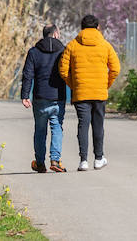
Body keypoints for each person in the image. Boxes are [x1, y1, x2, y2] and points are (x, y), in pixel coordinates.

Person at [57, 14, 120, 171]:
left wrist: (74, 85)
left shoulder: (72, 45)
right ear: (98, 27)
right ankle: (99, 158)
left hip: (81, 93)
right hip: (99, 93)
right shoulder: (105, 45)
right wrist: (105, 84)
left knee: (83, 125)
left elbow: (63, 70)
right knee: (98, 126)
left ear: (81, 28)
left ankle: (83, 160)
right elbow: (116, 69)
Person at [20, 24, 69, 173]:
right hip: (57, 96)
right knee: (56, 127)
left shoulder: (34, 52)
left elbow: (28, 74)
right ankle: (55, 160)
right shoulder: (64, 51)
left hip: (40, 97)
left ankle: (40, 163)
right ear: (55, 34)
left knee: (40, 130)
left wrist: (25, 95)